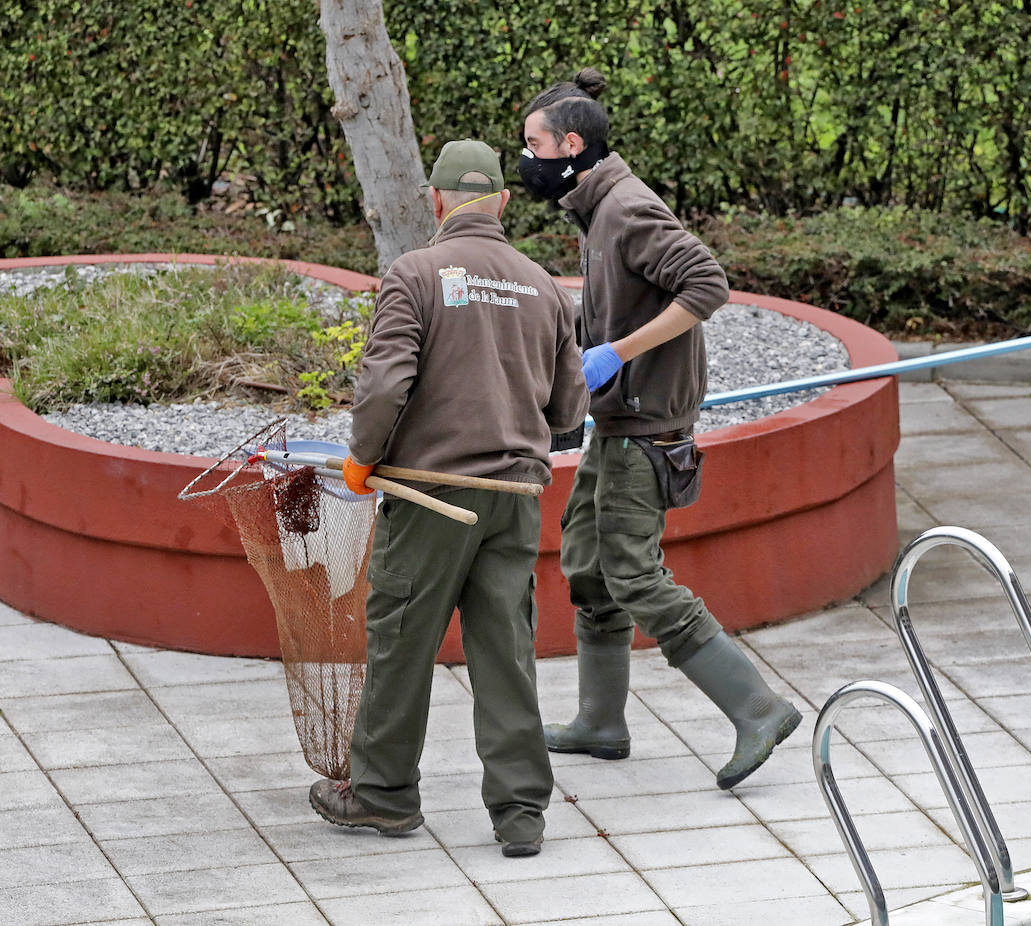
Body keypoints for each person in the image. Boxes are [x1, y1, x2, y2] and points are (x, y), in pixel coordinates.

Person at [519, 68, 802, 790]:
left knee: (632, 572)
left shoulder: (627, 210)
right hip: (617, 419)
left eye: (533, 144)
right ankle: (601, 724)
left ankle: (758, 708)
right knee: (587, 563)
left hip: (646, 427)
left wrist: (620, 352)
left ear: (570, 145)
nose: (525, 159)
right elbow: (621, 301)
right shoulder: (596, 208)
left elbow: (707, 284)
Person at [308, 138, 589, 857]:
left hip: (432, 499)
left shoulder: (414, 274)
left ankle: (381, 797)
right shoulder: (542, 286)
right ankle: (522, 814)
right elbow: (567, 414)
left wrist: (362, 460)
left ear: (434, 202)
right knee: (506, 651)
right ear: (500, 201)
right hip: (513, 500)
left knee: (401, 642)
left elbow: (382, 387)